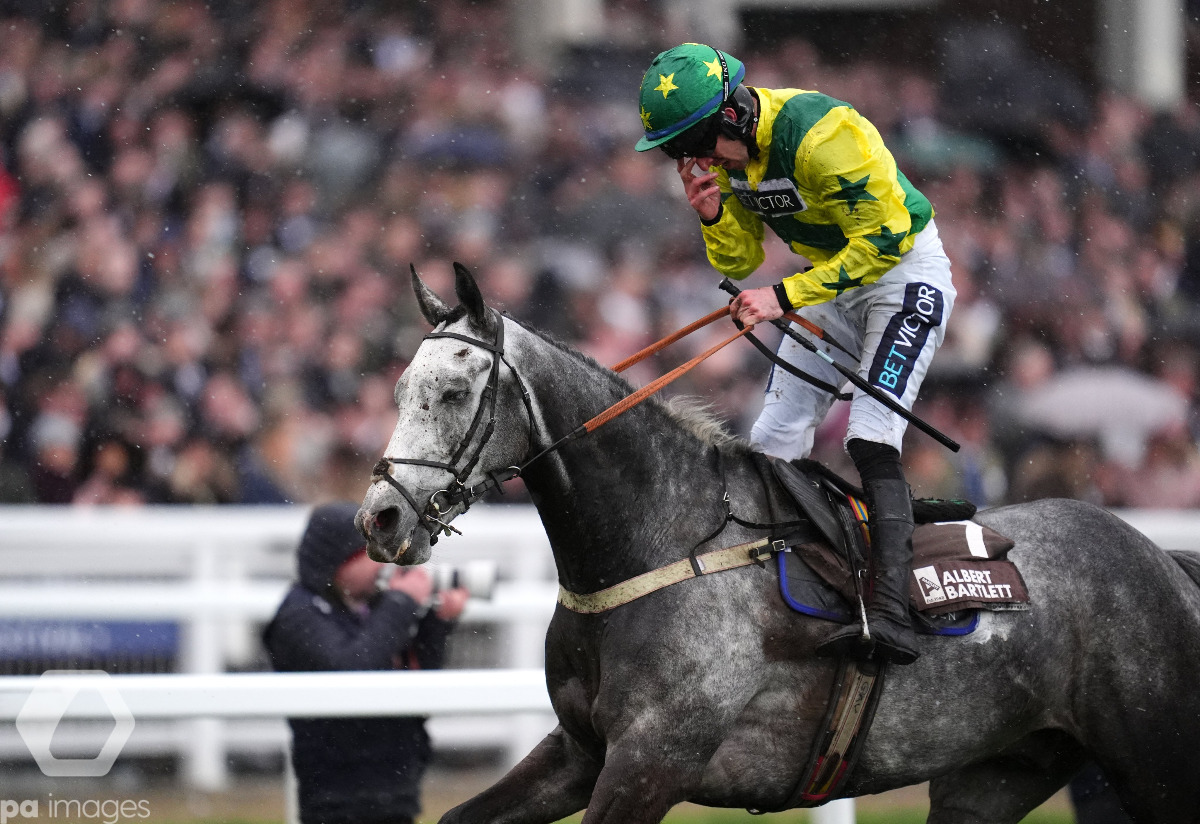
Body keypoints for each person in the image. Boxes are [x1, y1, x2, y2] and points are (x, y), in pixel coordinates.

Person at [635, 44, 957, 665]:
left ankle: (891, 613)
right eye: (676, 152)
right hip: (833, 282)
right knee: (771, 441)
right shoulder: (730, 158)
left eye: (691, 143)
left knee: (869, 436)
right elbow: (742, 260)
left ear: (731, 115)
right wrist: (713, 215)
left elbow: (886, 239)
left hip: (904, 276)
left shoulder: (821, 134)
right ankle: (771, 594)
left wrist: (784, 296)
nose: (689, 160)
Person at [263, 502, 468, 824]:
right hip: (335, 798)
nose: (386, 564)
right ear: (339, 559)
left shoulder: (372, 606)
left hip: (395, 788)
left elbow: (416, 688)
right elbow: (352, 672)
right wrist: (402, 603)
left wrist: (437, 624)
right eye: (373, 553)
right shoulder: (299, 615)